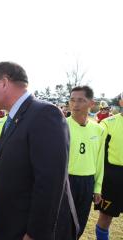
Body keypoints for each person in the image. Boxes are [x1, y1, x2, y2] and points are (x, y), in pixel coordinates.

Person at [0, 61, 79, 240]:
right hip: (13, 221)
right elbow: (0, 160)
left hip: (30, 228)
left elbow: (50, 181)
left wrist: (36, 233)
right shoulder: (14, 117)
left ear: (4, 83)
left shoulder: (45, 114)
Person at [67, 86, 104, 238]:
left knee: (79, 224)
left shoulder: (98, 130)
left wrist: (98, 187)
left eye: (81, 100)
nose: (75, 104)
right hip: (65, 181)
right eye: (72, 100)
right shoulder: (60, 125)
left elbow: (99, 160)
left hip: (87, 182)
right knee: (62, 223)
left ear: (91, 103)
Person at [94, 92, 123, 240]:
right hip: (113, 177)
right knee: (105, 218)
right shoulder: (108, 123)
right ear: (121, 103)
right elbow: (98, 153)